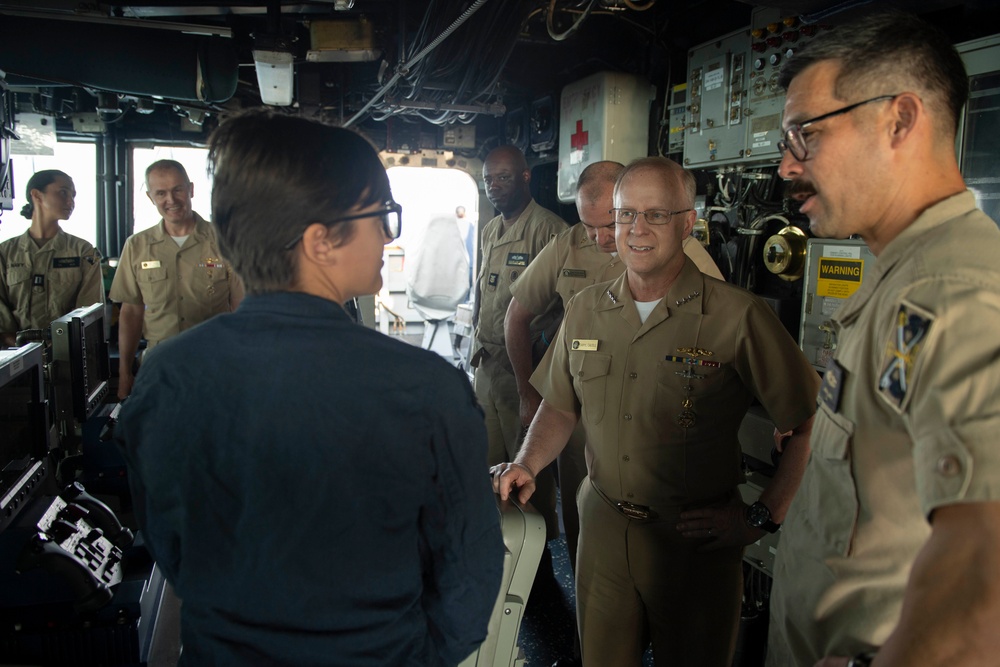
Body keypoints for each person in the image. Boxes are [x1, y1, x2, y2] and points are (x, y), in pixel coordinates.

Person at [115, 110, 504, 666]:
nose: (388, 234)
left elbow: (170, 547)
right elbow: (469, 568)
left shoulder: (166, 375)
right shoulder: (427, 390)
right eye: (381, 216)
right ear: (321, 241)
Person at [493, 156, 819, 666]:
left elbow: (808, 420)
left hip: (693, 538)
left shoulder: (737, 315)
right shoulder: (586, 308)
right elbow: (560, 404)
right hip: (602, 527)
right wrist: (527, 463)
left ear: (688, 223)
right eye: (625, 215)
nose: (635, 230)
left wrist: (761, 516)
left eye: (655, 215)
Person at [766, 11, 1000, 667]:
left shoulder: (954, 292)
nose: (787, 165)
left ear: (899, 119)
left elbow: (986, 578)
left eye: (806, 135)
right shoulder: (901, 276)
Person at [505, 160, 724, 574]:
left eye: (611, 223)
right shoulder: (572, 258)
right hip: (581, 426)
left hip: (658, 434)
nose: (602, 238)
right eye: (590, 226)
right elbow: (517, 316)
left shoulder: (684, 254)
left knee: (662, 561)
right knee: (585, 543)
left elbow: (727, 336)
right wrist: (528, 395)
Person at [471, 144, 567, 540]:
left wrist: (537, 369)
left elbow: (567, 309)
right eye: (488, 179)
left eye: (503, 177)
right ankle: (501, 550)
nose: (494, 186)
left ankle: (537, 558)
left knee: (527, 467)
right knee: (490, 462)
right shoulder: (492, 229)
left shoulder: (550, 230)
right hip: (488, 363)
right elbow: (484, 293)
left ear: (526, 176)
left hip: (525, 368)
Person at [108, 159, 243, 398]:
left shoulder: (226, 240)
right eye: (161, 193)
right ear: (151, 198)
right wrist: (125, 373)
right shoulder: (137, 246)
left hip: (215, 361)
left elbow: (241, 308)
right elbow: (131, 312)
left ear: (190, 189)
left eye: (177, 189)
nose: (171, 200)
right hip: (159, 366)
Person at [0, 170, 102, 347]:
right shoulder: (6, 252)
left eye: (73, 195)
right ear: (37, 195)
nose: (70, 201)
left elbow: (89, 312)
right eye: (63, 192)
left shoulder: (82, 252)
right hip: (16, 358)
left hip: (68, 358)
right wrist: (19, 346)